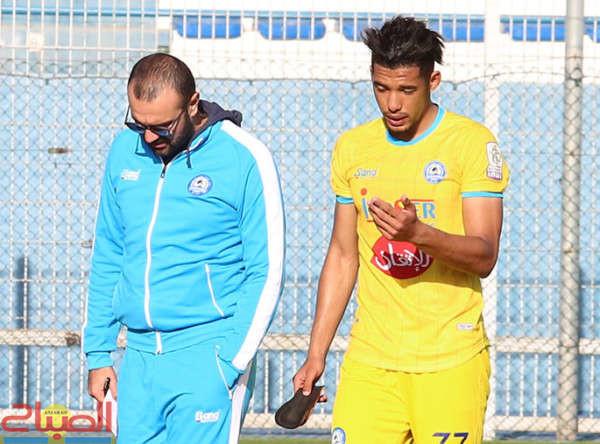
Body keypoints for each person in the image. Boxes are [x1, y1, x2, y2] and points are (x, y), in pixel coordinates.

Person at [292, 16, 509, 444]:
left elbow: (485, 255)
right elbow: (342, 255)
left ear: (433, 82)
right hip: (371, 361)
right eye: (381, 88)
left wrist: (419, 234)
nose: (392, 103)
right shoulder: (353, 148)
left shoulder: (471, 143)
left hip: (449, 362)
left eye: (406, 90)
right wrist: (316, 354)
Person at [82, 53, 285, 444]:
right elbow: (109, 253)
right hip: (137, 361)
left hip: (208, 354)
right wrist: (99, 354)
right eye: (138, 124)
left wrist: (229, 362)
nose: (149, 138)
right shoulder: (124, 150)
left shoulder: (245, 157)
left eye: (162, 127)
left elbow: (267, 268)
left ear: (193, 104)